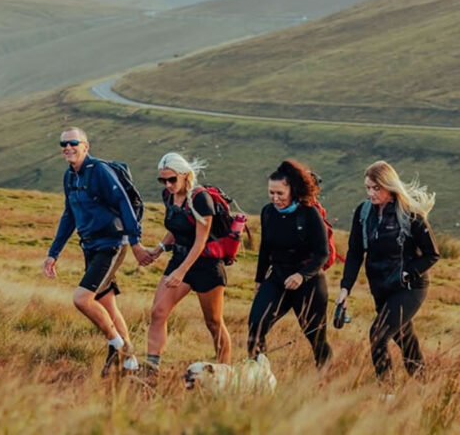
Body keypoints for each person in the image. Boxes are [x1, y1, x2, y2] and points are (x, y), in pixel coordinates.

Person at [42, 126, 152, 377]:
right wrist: (53, 253)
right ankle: (130, 363)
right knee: (107, 304)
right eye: (63, 144)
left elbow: (124, 202)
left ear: (85, 146)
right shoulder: (70, 176)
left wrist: (135, 242)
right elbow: (69, 215)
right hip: (90, 245)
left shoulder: (99, 171)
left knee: (82, 299)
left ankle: (117, 346)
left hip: (111, 244)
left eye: (73, 143)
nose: (67, 148)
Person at [337, 160, 439, 383]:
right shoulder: (363, 213)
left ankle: (387, 394)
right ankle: (424, 387)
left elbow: (433, 254)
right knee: (405, 338)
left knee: (378, 335)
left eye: (376, 188)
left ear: (389, 186)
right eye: (368, 188)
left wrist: (408, 273)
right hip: (380, 286)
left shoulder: (411, 214)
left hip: (409, 287)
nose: (371, 193)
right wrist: (345, 288)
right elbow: (355, 253)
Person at [144, 152, 232, 375]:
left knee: (213, 322)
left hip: (206, 266)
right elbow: (176, 229)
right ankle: (151, 367)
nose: (168, 184)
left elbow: (200, 242)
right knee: (158, 312)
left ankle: (225, 371)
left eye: (172, 179)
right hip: (180, 259)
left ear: (185, 176)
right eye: (163, 180)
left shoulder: (201, 199)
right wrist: (159, 249)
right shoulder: (168, 196)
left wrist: (181, 272)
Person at [248, 159, 332, 367]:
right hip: (277, 277)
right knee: (255, 326)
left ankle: (326, 375)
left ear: (292, 191)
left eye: (280, 194)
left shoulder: (309, 213)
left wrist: (301, 275)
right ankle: (259, 375)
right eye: (271, 193)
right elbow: (265, 248)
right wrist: (259, 280)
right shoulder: (267, 212)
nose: (275, 199)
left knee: (315, 336)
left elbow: (323, 253)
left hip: (308, 282)